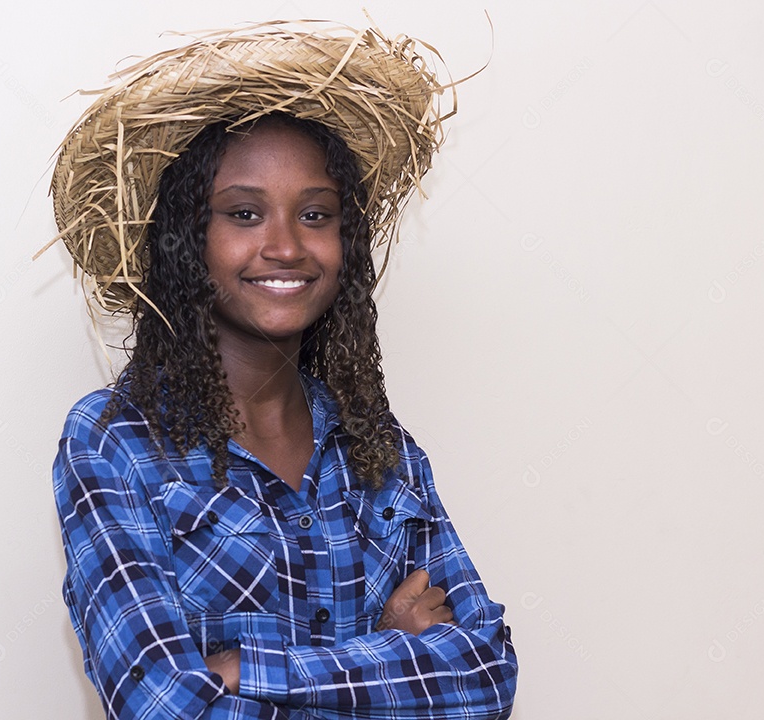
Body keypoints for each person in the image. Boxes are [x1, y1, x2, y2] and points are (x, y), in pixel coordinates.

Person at [43, 21, 517, 719]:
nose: (287, 246)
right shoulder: (117, 441)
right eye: (244, 212)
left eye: (316, 215)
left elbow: (486, 678)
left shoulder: (379, 446)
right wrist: (390, 653)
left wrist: (239, 671)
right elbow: (163, 702)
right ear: (186, 241)